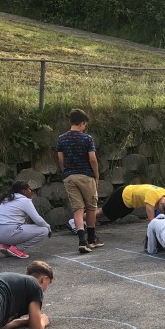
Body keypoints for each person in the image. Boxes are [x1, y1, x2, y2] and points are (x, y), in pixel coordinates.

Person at [56, 108, 102, 254]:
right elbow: (92, 159)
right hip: (85, 175)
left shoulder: (61, 139)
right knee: (91, 207)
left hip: (69, 176)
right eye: (85, 124)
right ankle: (92, 239)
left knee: (78, 209)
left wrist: (65, 171)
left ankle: (82, 241)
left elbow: (60, 159)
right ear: (82, 123)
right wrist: (96, 175)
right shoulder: (87, 138)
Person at [0, 181, 51, 259]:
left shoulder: (7, 199)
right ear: (24, 191)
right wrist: (48, 227)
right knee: (44, 230)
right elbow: (38, 220)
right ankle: (17, 249)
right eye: (29, 189)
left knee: (22, 224)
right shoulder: (25, 200)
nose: (31, 192)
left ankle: (6, 246)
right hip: (8, 233)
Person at [95, 184, 165, 225]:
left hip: (129, 204)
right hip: (121, 196)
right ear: (161, 203)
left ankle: (91, 214)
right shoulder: (152, 196)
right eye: (160, 210)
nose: (160, 211)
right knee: (101, 213)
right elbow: (151, 222)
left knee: (106, 214)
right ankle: (87, 220)